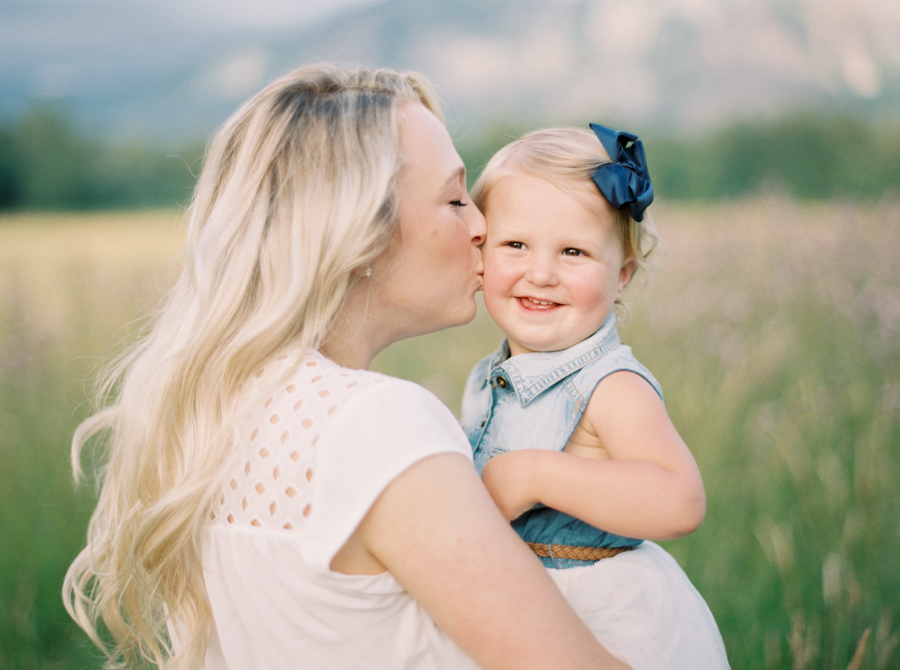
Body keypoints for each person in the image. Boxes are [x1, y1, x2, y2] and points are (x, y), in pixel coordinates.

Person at [62, 66, 629, 670]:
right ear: (364, 233)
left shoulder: (212, 410)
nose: (484, 227)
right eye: (455, 198)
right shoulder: (376, 426)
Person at [461, 125, 731, 669]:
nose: (541, 272)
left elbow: (679, 499)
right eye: (516, 244)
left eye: (574, 252)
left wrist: (536, 475)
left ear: (622, 275)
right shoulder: (493, 376)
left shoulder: (609, 386)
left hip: (597, 610)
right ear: (481, 250)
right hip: (520, 599)